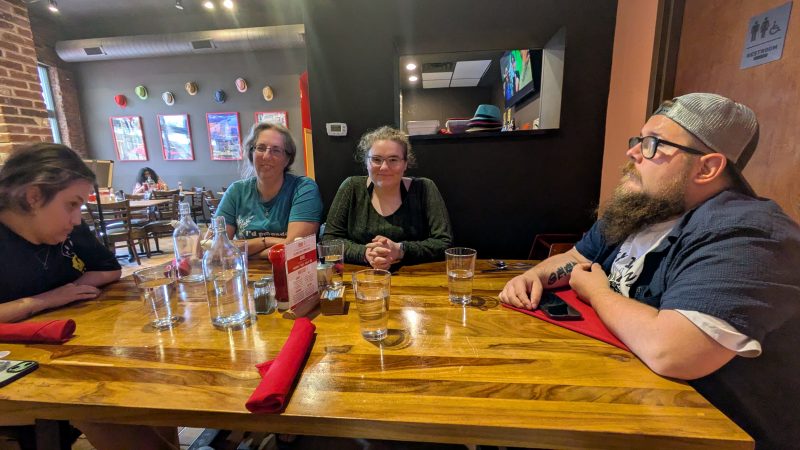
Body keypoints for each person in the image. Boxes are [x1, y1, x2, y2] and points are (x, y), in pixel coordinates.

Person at [499, 93, 800, 449]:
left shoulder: (748, 234)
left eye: (653, 144)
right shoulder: (640, 209)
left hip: (703, 434)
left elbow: (673, 352)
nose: (633, 152)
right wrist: (534, 276)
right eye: (638, 140)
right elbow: (576, 258)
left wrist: (597, 293)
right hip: (623, 401)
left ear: (707, 168)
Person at [0, 143, 178, 449]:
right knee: (104, 399)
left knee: (152, 374)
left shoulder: (67, 229)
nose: (77, 219)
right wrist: (46, 300)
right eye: (71, 205)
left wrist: (69, 291)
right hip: (18, 367)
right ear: (33, 197)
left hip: (67, 345)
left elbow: (110, 268)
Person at [323, 126, 452, 269]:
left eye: (393, 159)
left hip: (416, 277)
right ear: (366, 162)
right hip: (359, 277)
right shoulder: (351, 187)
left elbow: (444, 242)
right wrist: (366, 253)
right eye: (376, 159)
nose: (384, 167)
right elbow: (329, 242)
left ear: (405, 164)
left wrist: (399, 250)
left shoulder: (424, 188)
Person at [215, 122, 323, 255]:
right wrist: (265, 241)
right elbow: (216, 245)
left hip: (287, 268)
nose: (266, 156)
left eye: (276, 150)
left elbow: (295, 249)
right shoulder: (236, 191)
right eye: (260, 148)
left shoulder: (303, 189)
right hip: (244, 268)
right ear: (251, 153)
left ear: (287, 159)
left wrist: (243, 251)